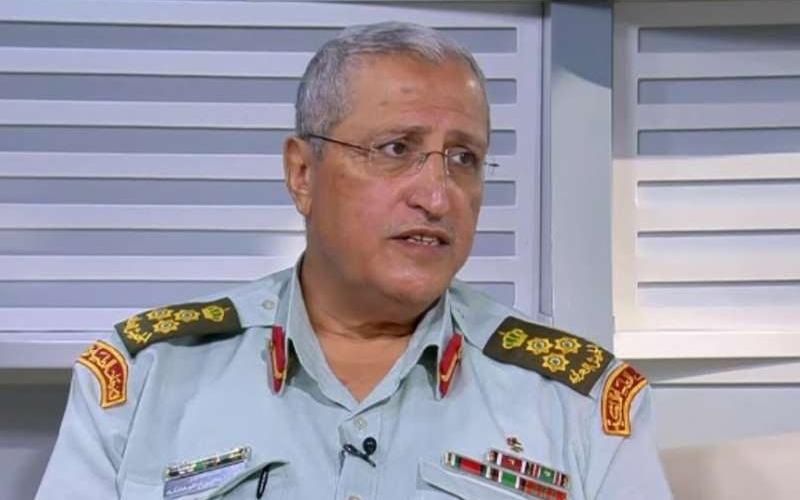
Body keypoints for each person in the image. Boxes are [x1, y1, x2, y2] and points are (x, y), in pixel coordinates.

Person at [36, 22, 672, 499]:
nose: (437, 196)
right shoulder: (143, 379)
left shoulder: (578, 403)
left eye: (464, 158)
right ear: (302, 173)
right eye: (396, 149)